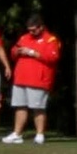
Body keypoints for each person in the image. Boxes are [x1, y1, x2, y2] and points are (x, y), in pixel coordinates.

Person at [6, 14, 61, 144]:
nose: (31, 32)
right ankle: (17, 133)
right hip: (21, 78)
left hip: (38, 79)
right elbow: (13, 51)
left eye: (34, 29)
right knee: (20, 106)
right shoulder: (24, 37)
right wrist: (17, 52)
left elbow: (53, 57)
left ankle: (40, 134)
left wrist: (32, 53)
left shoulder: (50, 40)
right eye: (29, 29)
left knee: (38, 107)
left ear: (41, 27)